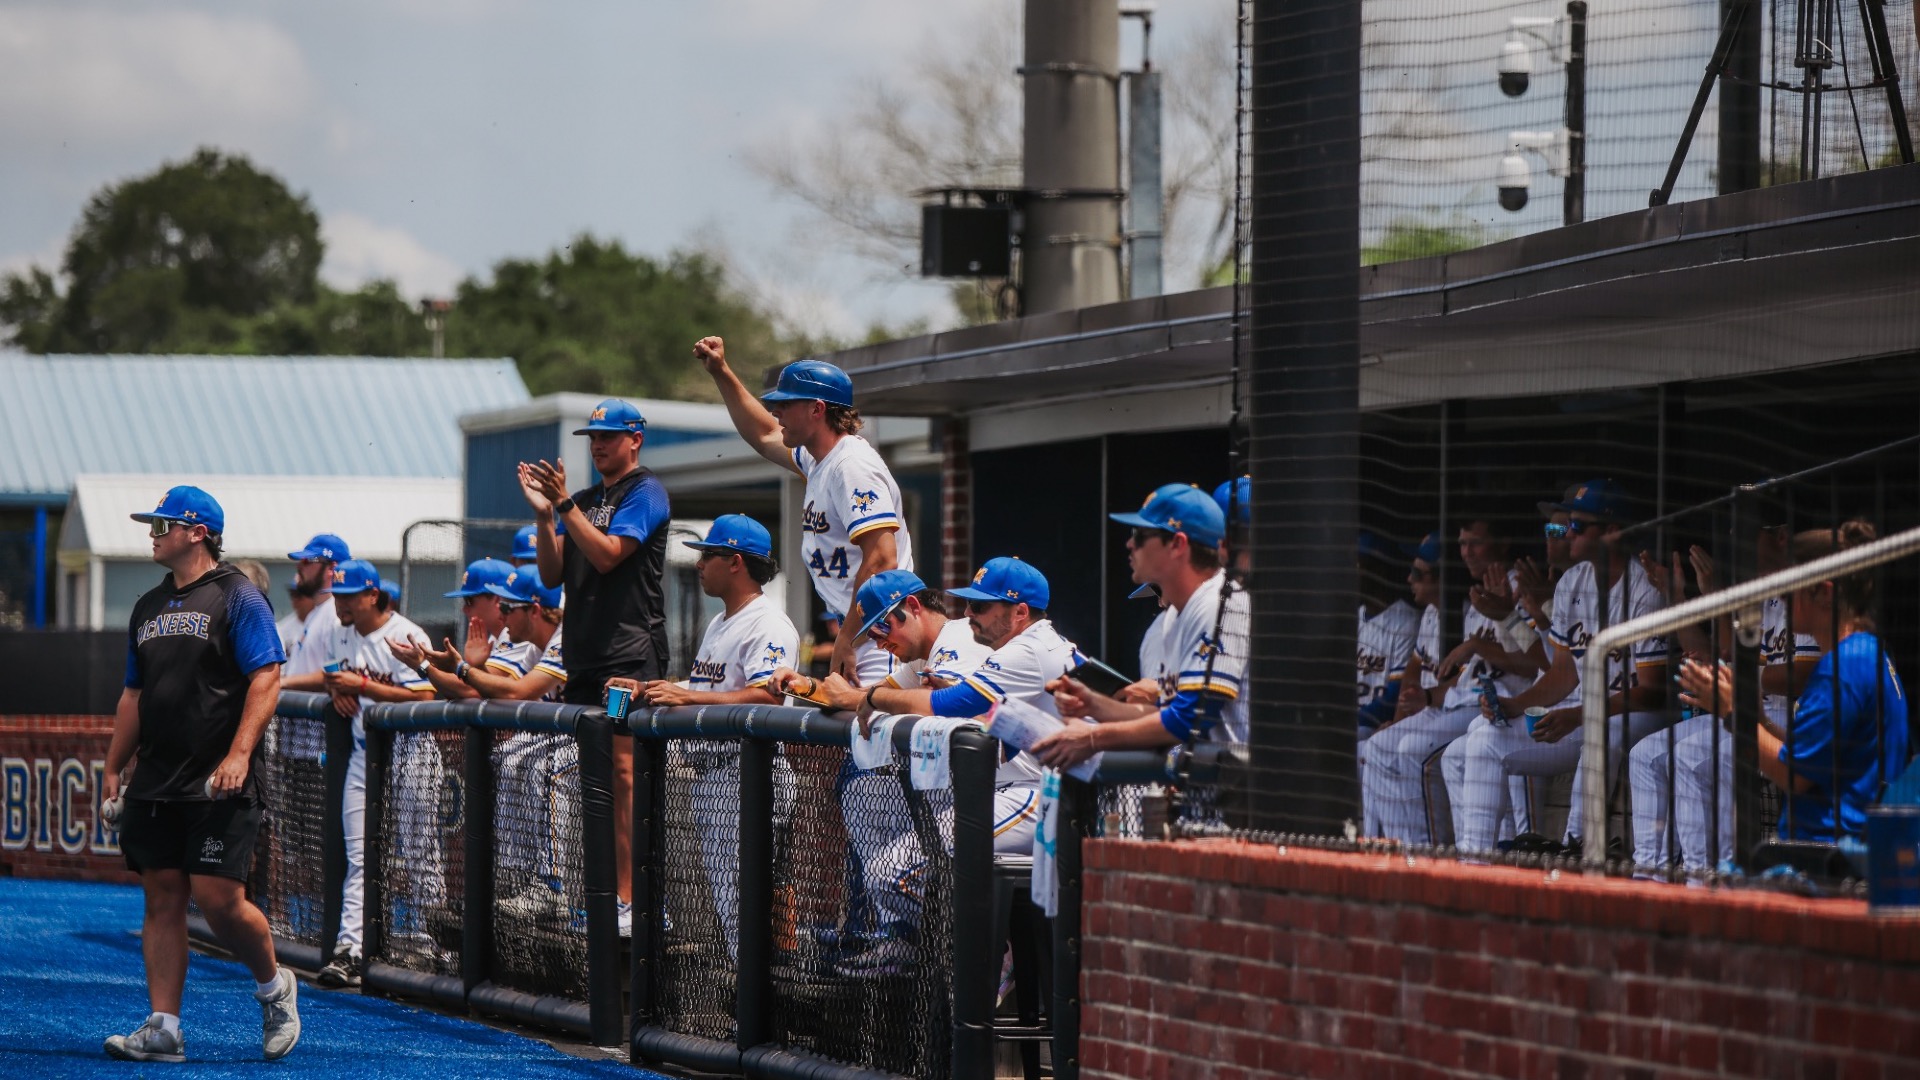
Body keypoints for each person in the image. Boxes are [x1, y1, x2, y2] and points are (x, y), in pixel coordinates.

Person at [102, 485, 299, 1063]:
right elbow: (133, 695)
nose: (153, 533)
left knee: (219, 901)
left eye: (163, 524)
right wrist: (115, 766)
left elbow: (267, 678)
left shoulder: (239, 596)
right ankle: (164, 1028)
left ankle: (273, 987)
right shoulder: (146, 606)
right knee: (162, 897)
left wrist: (239, 754)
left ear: (198, 532)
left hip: (219, 779)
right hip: (158, 777)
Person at [794, 559, 1061, 967]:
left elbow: (945, 706)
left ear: (914, 607)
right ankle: (951, 949)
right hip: (1000, 789)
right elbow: (866, 695)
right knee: (867, 797)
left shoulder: (971, 642)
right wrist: (809, 687)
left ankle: (993, 955)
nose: (879, 643)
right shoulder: (946, 651)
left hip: (1030, 792)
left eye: (884, 627)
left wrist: (869, 699)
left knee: (894, 872)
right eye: (870, 636)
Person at [609, 515, 799, 960]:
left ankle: (764, 1013)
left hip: (749, 772)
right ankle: (751, 1005)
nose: (699, 564)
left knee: (748, 902)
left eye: (708, 555)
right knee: (732, 905)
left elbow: (768, 697)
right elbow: (713, 693)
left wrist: (686, 695)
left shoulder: (768, 623)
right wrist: (652, 690)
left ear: (735, 563)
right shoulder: (720, 623)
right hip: (716, 774)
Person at [1450, 481, 1670, 857]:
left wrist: (1578, 714)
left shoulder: (1645, 589)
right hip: (1580, 713)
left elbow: (1651, 690)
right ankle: (1476, 860)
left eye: (1578, 526)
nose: (1567, 532)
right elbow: (1562, 674)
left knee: (1605, 732)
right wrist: (1516, 705)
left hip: (1635, 713)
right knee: (1484, 738)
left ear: (1613, 532)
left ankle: (1578, 846)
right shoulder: (1572, 582)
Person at [519, 397, 671, 935]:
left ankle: (633, 899)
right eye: (593, 437)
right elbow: (552, 572)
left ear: (636, 439)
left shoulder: (645, 490)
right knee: (592, 779)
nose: (599, 444)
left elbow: (609, 554)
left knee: (626, 774)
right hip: (585, 658)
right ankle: (603, 892)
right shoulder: (580, 499)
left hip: (628, 657)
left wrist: (564, 508)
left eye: (609, 435)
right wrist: (545, 515)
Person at [693, 337, 912, 686]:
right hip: (863, 628)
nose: (777, 412)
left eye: (787, 404)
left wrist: (848, 638)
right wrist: (721, 371)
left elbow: (882, 558)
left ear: (817, 409)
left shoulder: (851, 465)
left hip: (879, 630)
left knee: (875, 734)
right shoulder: (819, 460)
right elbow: (764, 435)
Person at [1678, 520, 1909, 847]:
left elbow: (1794, 776)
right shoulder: (1863, 653)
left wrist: (1733, 714)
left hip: (1831, 858)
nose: (1782, 596)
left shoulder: (1845, 669)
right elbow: (1812, 757)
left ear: (1825, 593)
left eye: (1792, 586)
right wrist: (1757, 718)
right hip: (1840, 849)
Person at [1628, 524, 1819, 871]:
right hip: (1752, 709)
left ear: (1780, 535)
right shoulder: (1758, 589)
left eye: (1749, 530)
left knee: (1689, 757)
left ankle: (1706, 876)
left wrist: (1737, 679)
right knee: (1645, 755)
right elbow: (1728, 654)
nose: (1738, 539)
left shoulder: (1810, 591)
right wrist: (1686, 601)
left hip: (1791, 715)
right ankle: (1649, 872)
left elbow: (1801, 673)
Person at [281, 559, 435, 987]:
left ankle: (427, 939)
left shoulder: (405, 634)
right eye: (338, 595)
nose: (341, 603)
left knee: (419, 854)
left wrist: (362, 688)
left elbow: (427, 693)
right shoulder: (338, 629)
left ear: (372, 596)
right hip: (365, 755)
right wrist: (336, 686)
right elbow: (333, 671)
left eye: (349, 596)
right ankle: (350, 949)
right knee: (358, 856)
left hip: (411, 754)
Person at [1029, 485, 1248, 766]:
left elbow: (1192, 719)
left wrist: (1093, 737)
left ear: (1178, 545)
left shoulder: (1222, 603)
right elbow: (1164, 715)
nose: (1129, 544)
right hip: (1203, 799)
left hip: (1246, 802)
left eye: (1141, 535)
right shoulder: (1172, 619)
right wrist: (1096, 705)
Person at [1363, 524, 1535, 846]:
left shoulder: (1517, 590)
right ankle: (1400, 852)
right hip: (1461, 702)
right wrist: (1428, 695)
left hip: (1499, 703)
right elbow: (1465, 676)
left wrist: (1478, 646)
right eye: (1463, 544)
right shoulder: (1475, 596)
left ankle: (1426, 855)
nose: (1467, 552)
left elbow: (1535, 662)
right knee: (1377, 746)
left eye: (1476, 543)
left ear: (1502, 542)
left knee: (1413, 750)